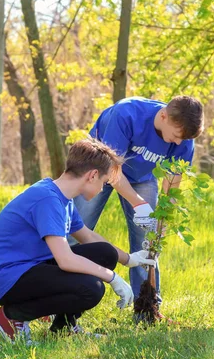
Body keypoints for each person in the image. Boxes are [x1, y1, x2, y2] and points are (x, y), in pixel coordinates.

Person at [0, 139, 156, 343]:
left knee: (104, 253)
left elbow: (88, 237)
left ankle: (63, 328)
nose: (102, 189)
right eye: (104, 182)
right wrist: (113, 278)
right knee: (91, 289)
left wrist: (129, 259)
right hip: (8, 279)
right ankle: (11, 316)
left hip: (32, 267)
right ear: (92, 176)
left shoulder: (62, 198)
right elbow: (65, 260)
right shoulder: (48, 200)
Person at [73, 96, 204, 313]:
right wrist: (138, 203)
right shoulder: (126, 114)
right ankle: (53, 295)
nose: (178, 143)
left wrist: (161, 222)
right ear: (163, 116)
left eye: (183, 139)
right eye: (175, 136)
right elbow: (112, 171)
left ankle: (147, 308)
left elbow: (171, 186)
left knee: (147, 240)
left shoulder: (184, 137)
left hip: (141, 177)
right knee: (74, 229)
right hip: (97, 169)